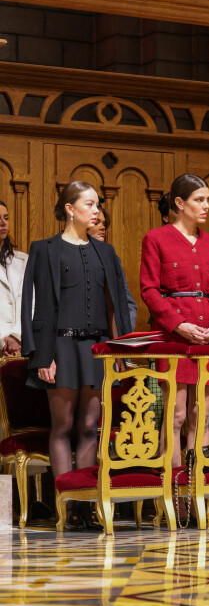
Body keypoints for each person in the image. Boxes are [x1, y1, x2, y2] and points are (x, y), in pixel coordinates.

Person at [20, 181, 131, 530]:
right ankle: (64, 507)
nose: (96, 211)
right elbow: (32, 306)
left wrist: (120, 351)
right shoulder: (45, 249)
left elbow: (116, 306)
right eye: (89, 204)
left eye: (97, 205)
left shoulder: (106, 252)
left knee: (88, 427)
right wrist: (41, 356)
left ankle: (84, 506)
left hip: (96, 350)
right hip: (60, 348)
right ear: (70, 208)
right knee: (63, 426)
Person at [140, 174, 209, 469]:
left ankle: (196, 496)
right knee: (176, 416)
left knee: (201, 416)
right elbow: (149, 290)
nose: (206, 206)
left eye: (208, 200)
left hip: (208, 338)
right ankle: (174, 494)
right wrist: (178, 324)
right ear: (179, 203)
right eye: (199, 200)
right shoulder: (156, 238)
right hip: (175, 338)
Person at [87, 204, 138, 331]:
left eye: (104, 223)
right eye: (97, 222)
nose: (102, 227)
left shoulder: (112, 258)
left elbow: (127, 302)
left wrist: (124, 333)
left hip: (107, 335)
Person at [0, 200, 27, 357]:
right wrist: (3, 341)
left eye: (6, 217)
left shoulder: (24, 260)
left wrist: (16, 337)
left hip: (22, 346)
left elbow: (33, 304)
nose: (3, 223)